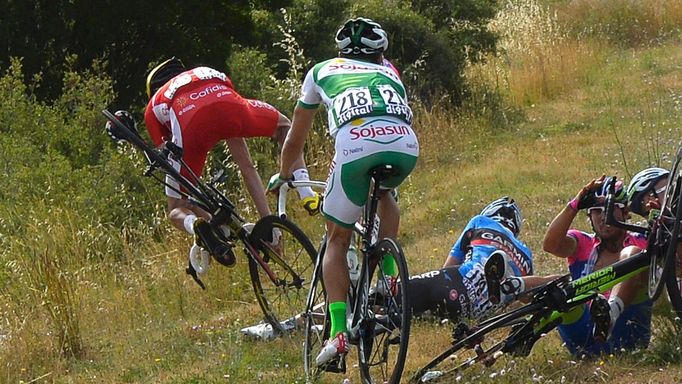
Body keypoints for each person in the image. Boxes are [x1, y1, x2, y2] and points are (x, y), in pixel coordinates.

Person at [268, 18, 419, 365]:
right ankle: (392, 277)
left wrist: (283, 172)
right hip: (405, 147)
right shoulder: (391, 71)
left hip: (355, 148)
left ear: (340, 51)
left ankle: (338, 332)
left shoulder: (320, 71)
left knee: (337, 238)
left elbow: (295, 138)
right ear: (380, 54)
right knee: (383, 194)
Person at [137, 58, 319, 266]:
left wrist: (191, 202)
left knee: (178, 205)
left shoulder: (153, 106)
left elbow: (170, 160)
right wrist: (269, 223)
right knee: (284, 126)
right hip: (225, 99)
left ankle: (198, 225)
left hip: (189, 122)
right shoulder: (202, 71)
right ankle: (305, 192)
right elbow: (246, 166)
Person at [542, 176, 652, 357]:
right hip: (583, 338)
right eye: (596, 211)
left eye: (610, 208)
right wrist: (574, 204)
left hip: (629, 335)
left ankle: (610, 313)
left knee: (633, 255)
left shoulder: (643, 240)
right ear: (589, 217)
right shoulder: (582, 242)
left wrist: (660, 223)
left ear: (625, 213)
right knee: (554, 285)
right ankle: (509, 290)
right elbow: (550, 245)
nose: (603, 216)